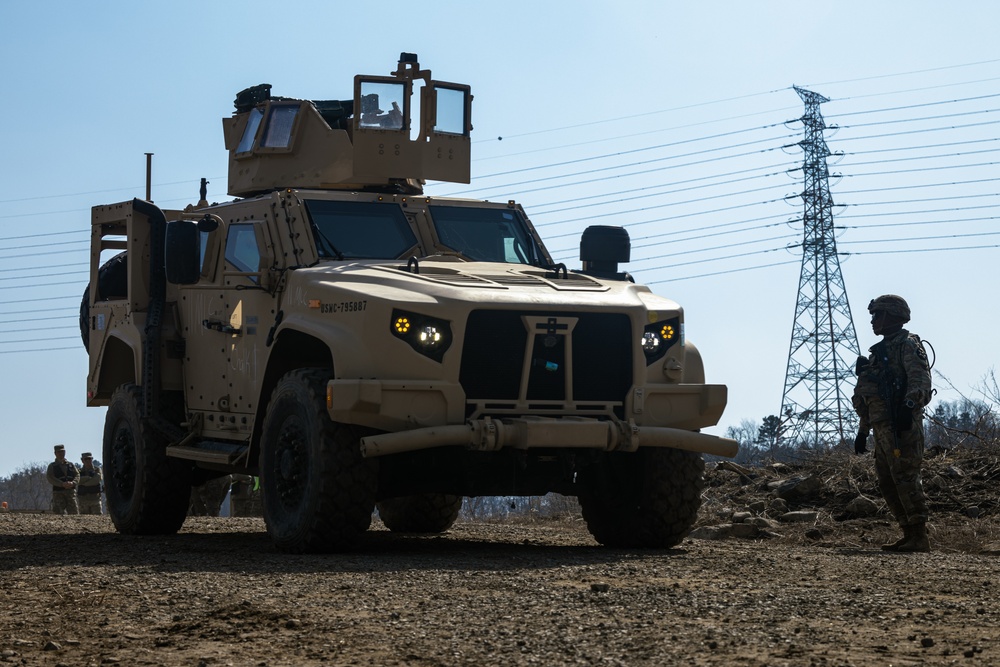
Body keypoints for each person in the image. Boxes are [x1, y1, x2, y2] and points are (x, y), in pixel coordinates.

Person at [852, 294, 933, 552]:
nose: (873, 321)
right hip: (882, 428)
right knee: (888, 482)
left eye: (877, 315)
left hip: (902, 426)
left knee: (906, 478)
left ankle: (919, 535)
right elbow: (869, 396)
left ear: (892, 316)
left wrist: (908, 408)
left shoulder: (907, 345)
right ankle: (908, 533)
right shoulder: (879, 353)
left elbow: (920, 381)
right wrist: (863, 431)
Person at [45, 444, 80, 515]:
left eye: (62, 452)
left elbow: (77, 475)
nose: (61, 454)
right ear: (55, 453)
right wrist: (61, 484)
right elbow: (50, 478)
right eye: (59, 452)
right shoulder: (52, 466)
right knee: (58, 513)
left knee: (74, 514)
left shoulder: (70, 465)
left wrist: (73, 483)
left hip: (70, 492)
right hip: (58, 493)